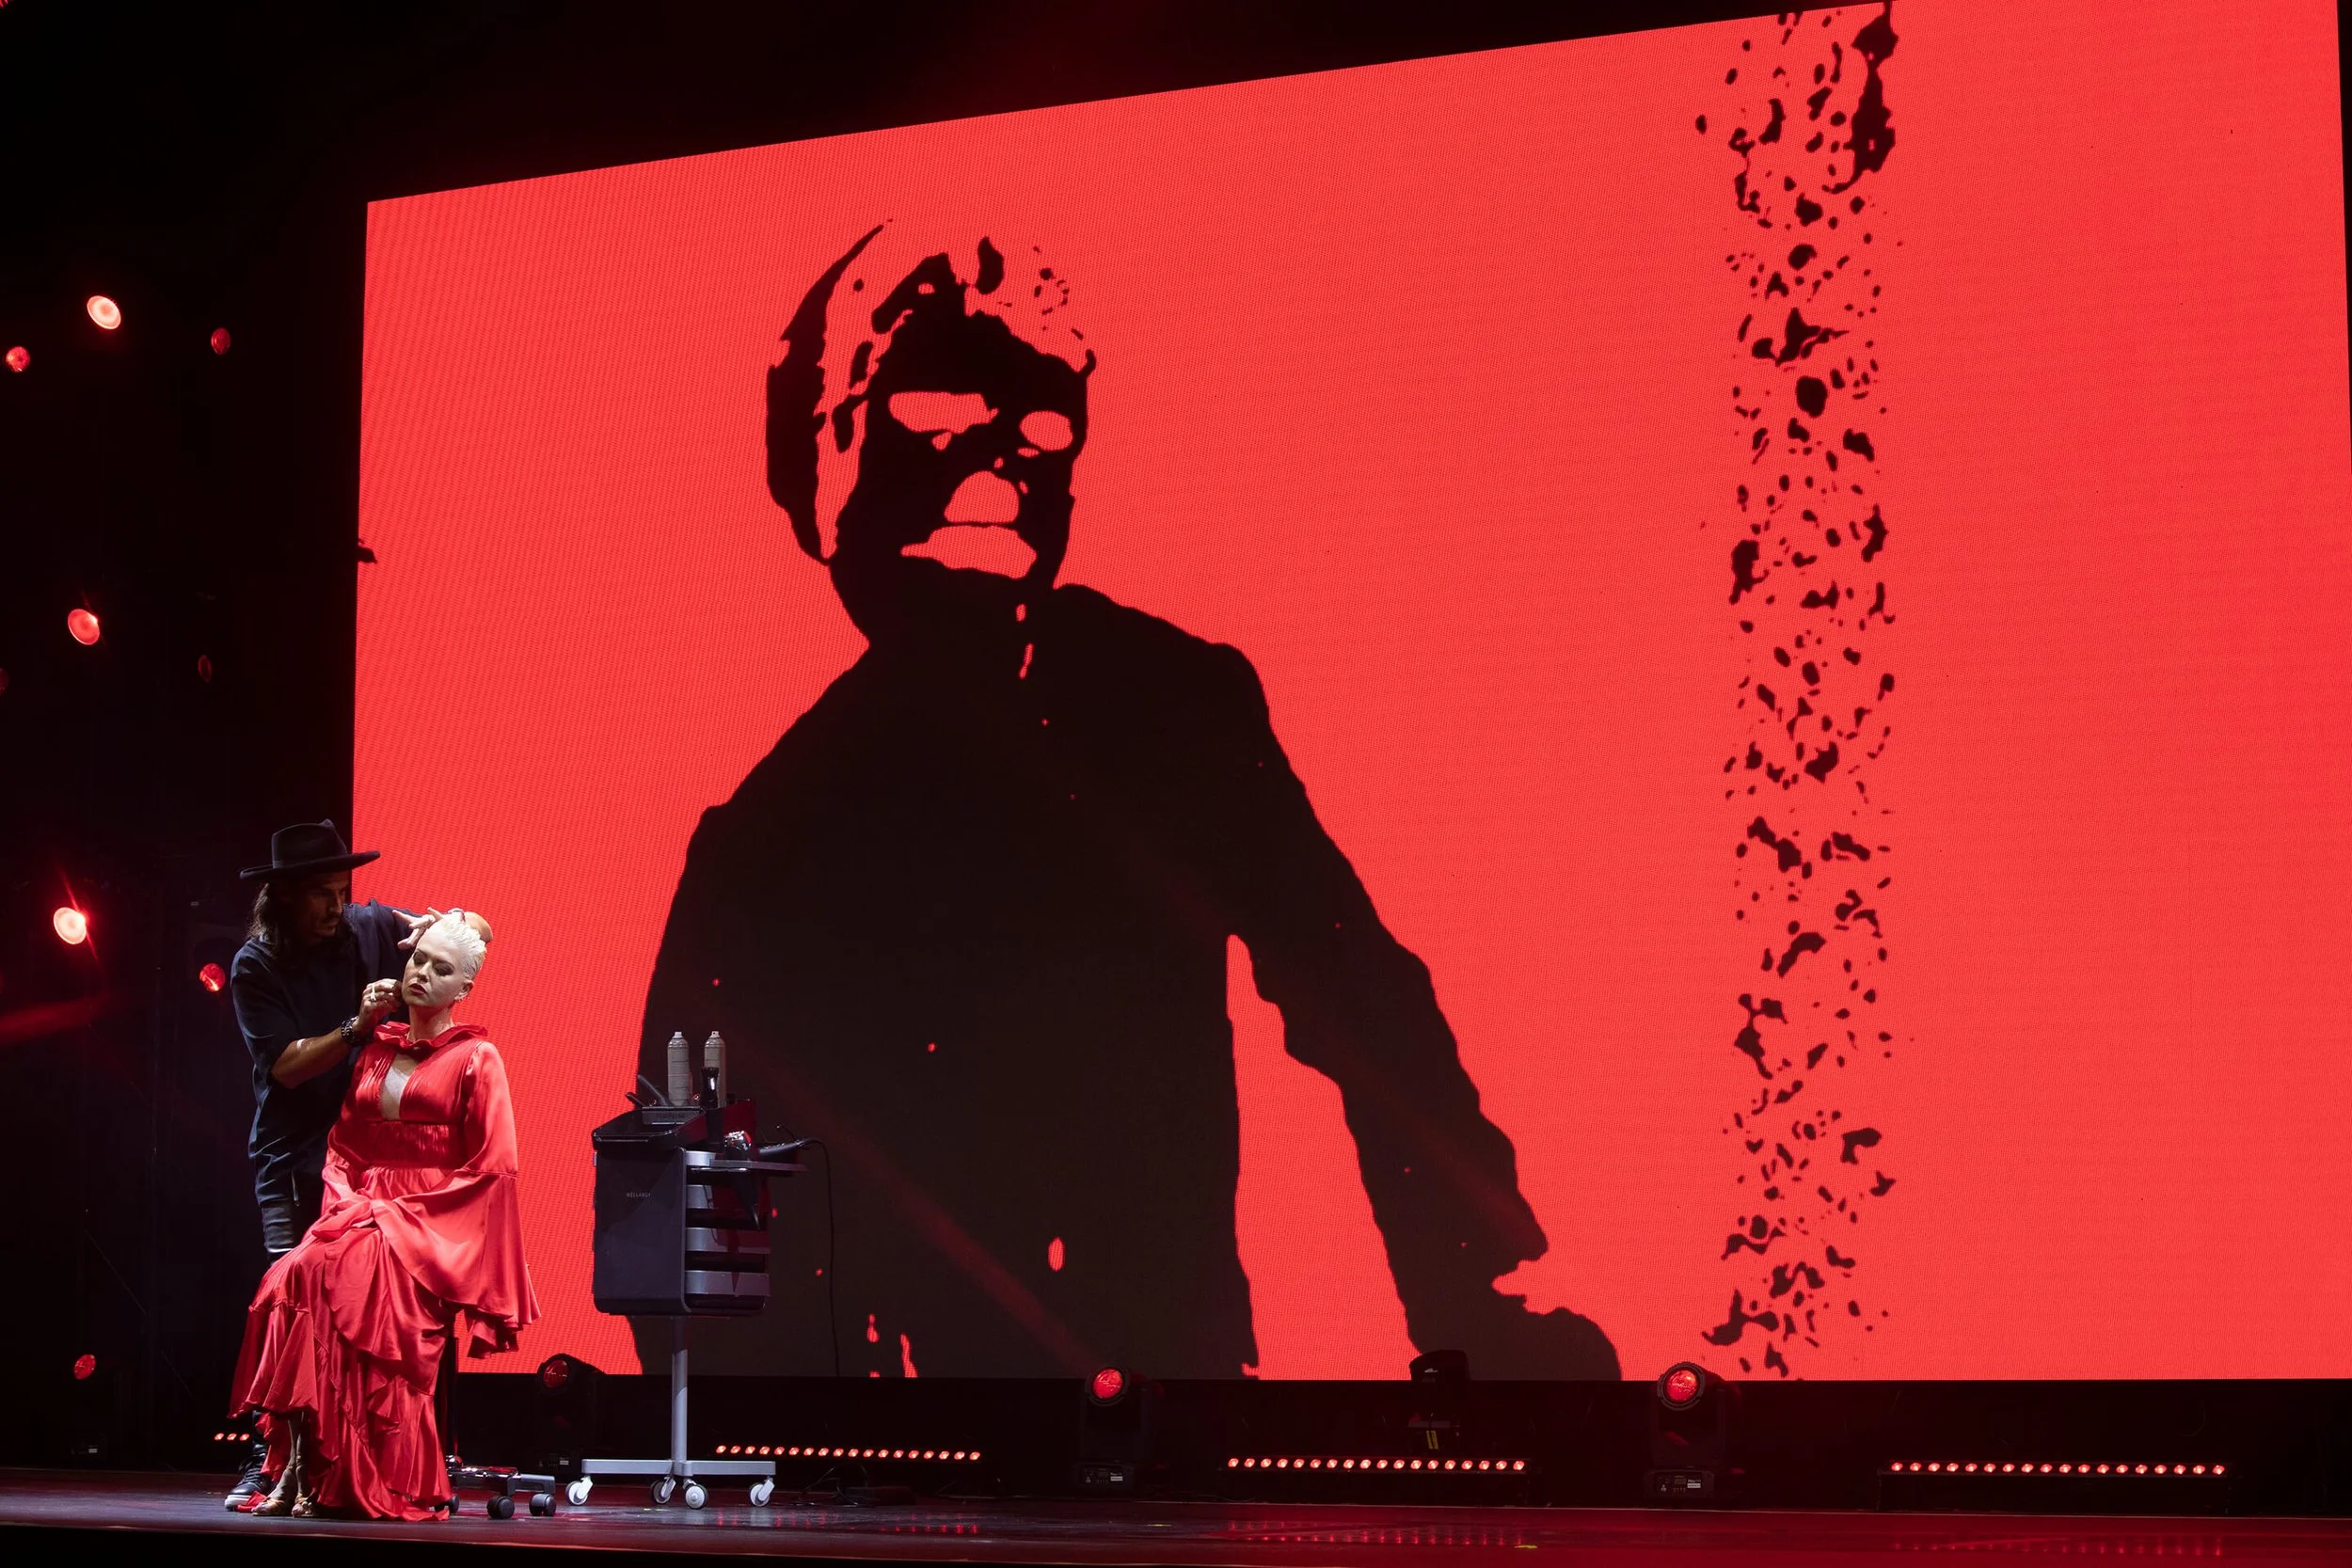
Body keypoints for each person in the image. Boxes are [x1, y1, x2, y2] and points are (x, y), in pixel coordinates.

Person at [635, 227, 1617, 1380]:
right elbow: (686, 1166)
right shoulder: (760, 839)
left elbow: (1356, 989)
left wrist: (1478, 1295)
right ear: (827, 452)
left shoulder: (1171, 702)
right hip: (900, 1448)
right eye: (937, 411)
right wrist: (754, 1417)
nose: (1000, 466)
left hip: (1158, 1413)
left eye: (1045, 428)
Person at [231, 911, 536, 1519]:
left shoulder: (479, 1057)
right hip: (362, 1209)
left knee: (345, 1270)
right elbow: (345, 1146)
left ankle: (355, 1474)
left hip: (433, 1223)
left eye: (440, 968)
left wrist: (398, 1217)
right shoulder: (376, 1047)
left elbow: (492, 1167)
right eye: (419, 959)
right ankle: (304, 1467)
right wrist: (349, 1203)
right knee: (295, 1273)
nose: (423, 973)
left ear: (464, 987)